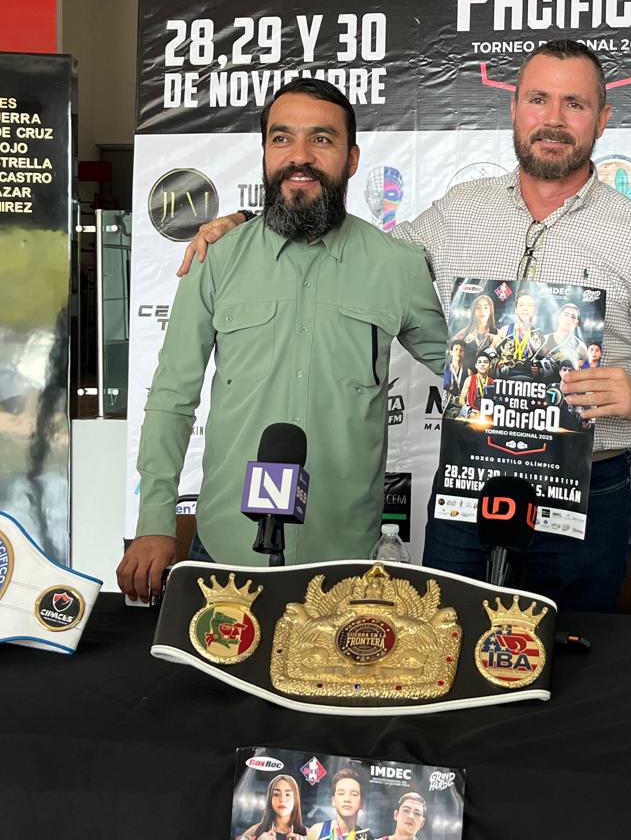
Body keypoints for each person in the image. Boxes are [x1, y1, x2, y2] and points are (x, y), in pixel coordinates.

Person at [178, 40, 631, 612]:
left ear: (602, 120)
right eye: (538, 100)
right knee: (447, 639)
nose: (553, 119)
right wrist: (250, 226)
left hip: (585, 485)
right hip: (469, 482)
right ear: (514, 110)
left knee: (577, 645)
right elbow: (362, 255)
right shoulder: (459, 210)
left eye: (574, 104)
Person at [116, 78, 447, 600]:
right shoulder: (216, 259)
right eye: (281, 138)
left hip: (345, 556)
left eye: (322, 139)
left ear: (352, 159)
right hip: (226, 550)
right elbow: (172, 397)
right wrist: (155, 519)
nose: (300, 156)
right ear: (265, 152)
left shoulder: (398, 266)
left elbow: (469, 373)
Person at [240, 774, 306, 840]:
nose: (282, 799)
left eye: (288, 795)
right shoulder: (255, 830)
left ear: (295, 799)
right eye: (276, 794)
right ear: (270, 799)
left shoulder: (309, 833)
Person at [306, 768, 366, 840]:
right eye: (341, 793)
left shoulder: (366, 837)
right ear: (333, 800)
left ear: (361, 803)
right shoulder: (317, 832)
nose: (347, 799)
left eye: (354, 794)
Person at [537, 302, 590, 368]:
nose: (569, 319)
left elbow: (587, 368)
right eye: (566, 315)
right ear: (559, 317)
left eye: (573, 317)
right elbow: (536, 364)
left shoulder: (580, 346)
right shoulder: (545, 340)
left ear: (576, 322)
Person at [456, 351, 495, 418]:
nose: (482, 364)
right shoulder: (469, 379)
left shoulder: (493, 382)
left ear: (490, 366)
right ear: (476, 365)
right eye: (479, 362)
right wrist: (469, 411)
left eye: (485, 362)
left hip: (486, 416)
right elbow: (461, 400)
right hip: (471, 414)